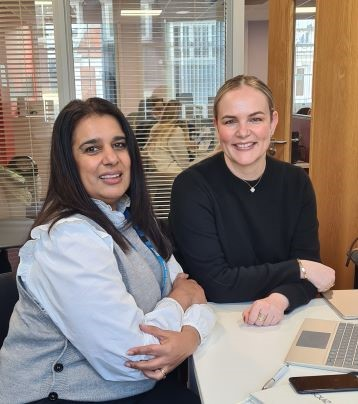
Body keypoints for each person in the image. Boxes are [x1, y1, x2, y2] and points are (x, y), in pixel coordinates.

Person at [0, 97, 215, 403]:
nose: (111, 158)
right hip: (58, 395)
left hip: (129, 387)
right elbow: (133, 359)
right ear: (69, 164)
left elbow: (198, 297)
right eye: (92, 149)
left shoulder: (130, 217)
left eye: (119, 145)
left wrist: (189, 335)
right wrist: (180, 300)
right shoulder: (68, 239)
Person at [169, 75, 335, 327]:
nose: (243, 132)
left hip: (283, 317)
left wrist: (279, 300)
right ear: (217, 125)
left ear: (273, 122)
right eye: (230, 121)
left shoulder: (296, 182)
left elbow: (312, 275)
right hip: (215, 323)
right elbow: (216, 284)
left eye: (256, 119)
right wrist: (298, 269)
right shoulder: (192, 187)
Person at [143, 100, 195, 173]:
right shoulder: (175, 131)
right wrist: (186, 134)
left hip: (156, 173)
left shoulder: (156, 127)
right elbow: (184, 163)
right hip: (170, 174)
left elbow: (146, 149)